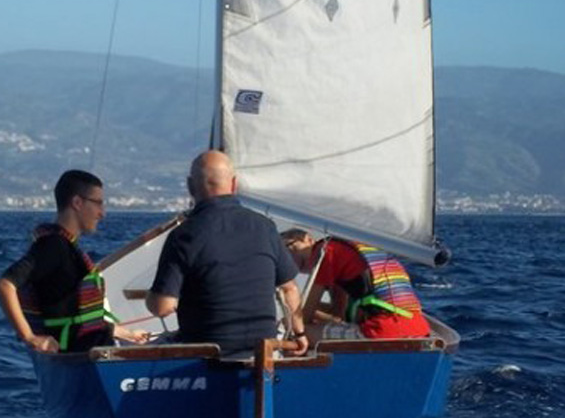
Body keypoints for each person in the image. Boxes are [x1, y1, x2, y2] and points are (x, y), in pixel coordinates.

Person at [146, 150, 308, 357]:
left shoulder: (184, 235)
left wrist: (151, 299)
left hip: (206, 356)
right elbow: (289, 289)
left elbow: (163, 307)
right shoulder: (265, 227)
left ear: (190, 186)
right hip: (263, 353)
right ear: (233, 184)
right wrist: (300, 333)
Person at [0, 170, 148, 353]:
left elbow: (70, 313)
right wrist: (30, 337)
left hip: (89, 347)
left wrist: (127, 333)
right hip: (77, 354)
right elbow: (5, 285)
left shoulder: (66, 247)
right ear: (77, 203)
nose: (102, 213)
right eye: (98, 203)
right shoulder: (53, 246)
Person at [280, 229, 430, 340]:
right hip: (417, 326)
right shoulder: (343, 252)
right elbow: (338, 315)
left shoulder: (325, 253)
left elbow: (303, 318)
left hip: (384, 329)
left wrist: (291, 310)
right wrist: (305, 309)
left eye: (288, 247)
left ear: (308, 239)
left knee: (297, 331)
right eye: (280, 254)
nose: (288, 258)